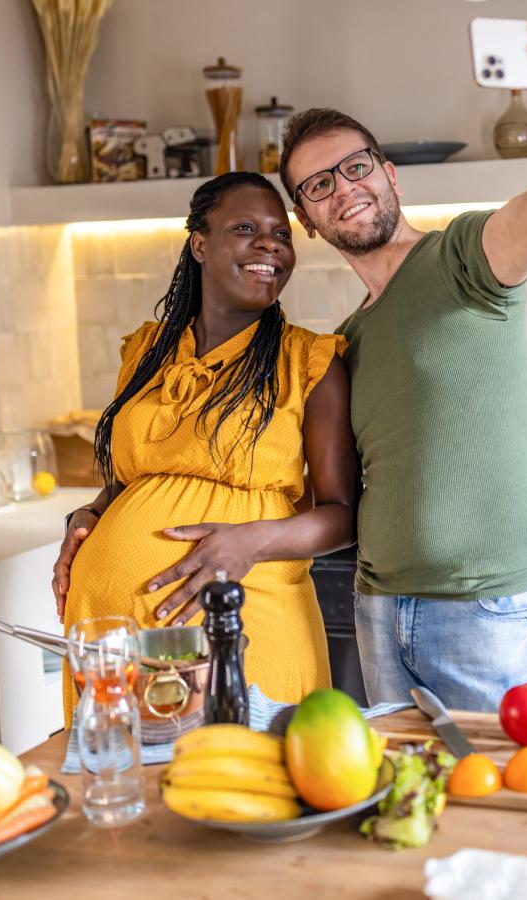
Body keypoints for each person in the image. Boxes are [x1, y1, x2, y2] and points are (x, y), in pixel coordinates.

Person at [274, 11, 527, 711]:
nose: (344, 188)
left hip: (486, 611)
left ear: (389, 174)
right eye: (318, 186)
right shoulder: (345, 340)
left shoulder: (462, 259)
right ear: (309, 222)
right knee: (412, 807)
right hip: (381, 607)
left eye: (356, 167)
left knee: (503, 807)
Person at [50, 171, 358, 724]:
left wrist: (251, 543)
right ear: (199, 243)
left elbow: (344, 513)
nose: (270, 244)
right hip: (115, 628)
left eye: (280, 233)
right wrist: (91, 513)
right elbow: (130, 479)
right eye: (245, 228)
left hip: (245, 620)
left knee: (249, 784)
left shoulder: (309, 363)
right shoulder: (146, 351)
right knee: (129, 799)